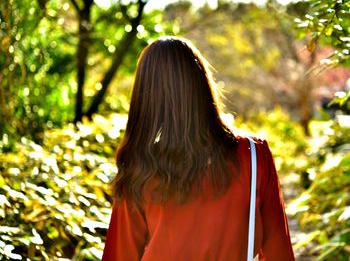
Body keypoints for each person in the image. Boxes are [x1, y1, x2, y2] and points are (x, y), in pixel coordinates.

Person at [102, 36, 295, 260]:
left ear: (146, 96)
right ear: (201, 85)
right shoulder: (253, 156)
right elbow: (279, 254)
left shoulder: (140, 167)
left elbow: (119, 256)